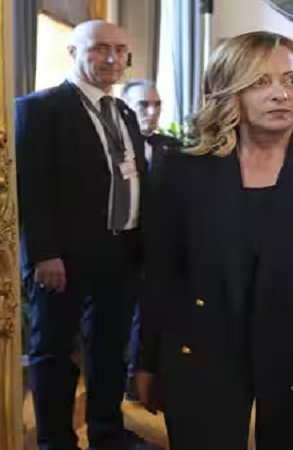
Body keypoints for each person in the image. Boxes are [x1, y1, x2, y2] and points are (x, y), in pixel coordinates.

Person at [134, 31, 293, 450]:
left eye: (291, 80)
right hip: (202, 353)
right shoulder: (182, 170)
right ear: (227, 91)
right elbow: (161, 274)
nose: (280, 94)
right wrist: (146, 360)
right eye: (260, 82)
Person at [15, 20, 147, 450]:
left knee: (110, 349)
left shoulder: (123, 112)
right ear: (73, 52)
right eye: (99, 48)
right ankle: (55, 440)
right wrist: (43, 253)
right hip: (63, 255)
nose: (112, 59)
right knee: (54, 350)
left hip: (121, 248)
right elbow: (31, 186)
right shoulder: (40, 109)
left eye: (120, 50)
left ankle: (107, 432)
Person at [119, 78, 182, 400]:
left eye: (157, 105)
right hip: (118, 247)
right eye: (144, 105)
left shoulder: (173, 147)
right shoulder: (112, 145)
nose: (152, 112)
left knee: (151, 315)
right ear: (125, 107)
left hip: (161, 248)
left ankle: (143, 379)